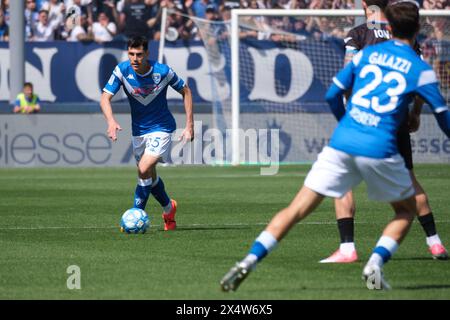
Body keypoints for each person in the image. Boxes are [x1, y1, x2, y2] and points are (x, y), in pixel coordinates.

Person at [220, 0, 450, 291]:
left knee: (296, 209)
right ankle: (375, 264)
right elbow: (443, 115)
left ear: (388, 27)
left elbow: (332, 94)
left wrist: (345, 121)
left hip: (343, 142)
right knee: (405, 211)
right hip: (382, 147)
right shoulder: (422, 69)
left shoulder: (365, 55)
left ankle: (248, 261)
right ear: (418, 28)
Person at [320, 0, 448, 263]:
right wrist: (414, 113)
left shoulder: (356, 35)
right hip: (394, 119)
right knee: (410, 182)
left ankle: (347, 248)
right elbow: (423, 77)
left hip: (361, 121)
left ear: (365, 5)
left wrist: (348, 113)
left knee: (342, 183)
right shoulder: (403, 37)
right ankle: (434, 243)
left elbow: (347, 75)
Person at [100, 36, 194, 231]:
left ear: (147, 54)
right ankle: (169, 208)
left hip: (162, 128)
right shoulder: (122, 70)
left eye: (139, 54)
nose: (135, 59)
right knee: (148, 176)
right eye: (131, 54)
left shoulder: (163, 71)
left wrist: (189, 125)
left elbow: (186, 90)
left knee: (143, 168)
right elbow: (105, 97)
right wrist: (111, 121)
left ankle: (135, 216)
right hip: (139, 132)